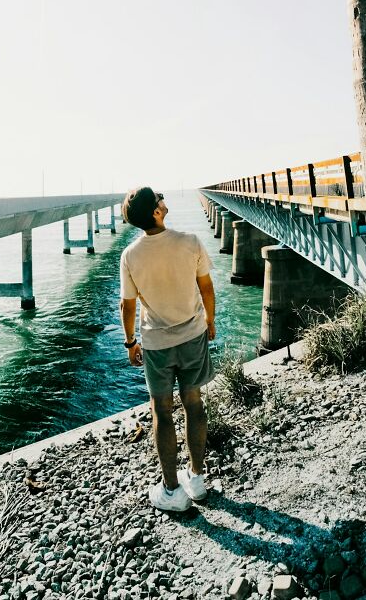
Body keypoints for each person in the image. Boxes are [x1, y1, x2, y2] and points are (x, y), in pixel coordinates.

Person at [119, 187, 216, 512]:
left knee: (161, 412)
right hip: (192, 335)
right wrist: (210, 320)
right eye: (158, 198)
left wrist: (130, 341)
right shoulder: (190, 241)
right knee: (193, 403)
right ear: (157, 212)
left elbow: (127, 306)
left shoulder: (131, 255)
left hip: (157, 344)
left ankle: (173, 490)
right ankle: (197, 479)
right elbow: (206, 287)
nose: (163, 200)